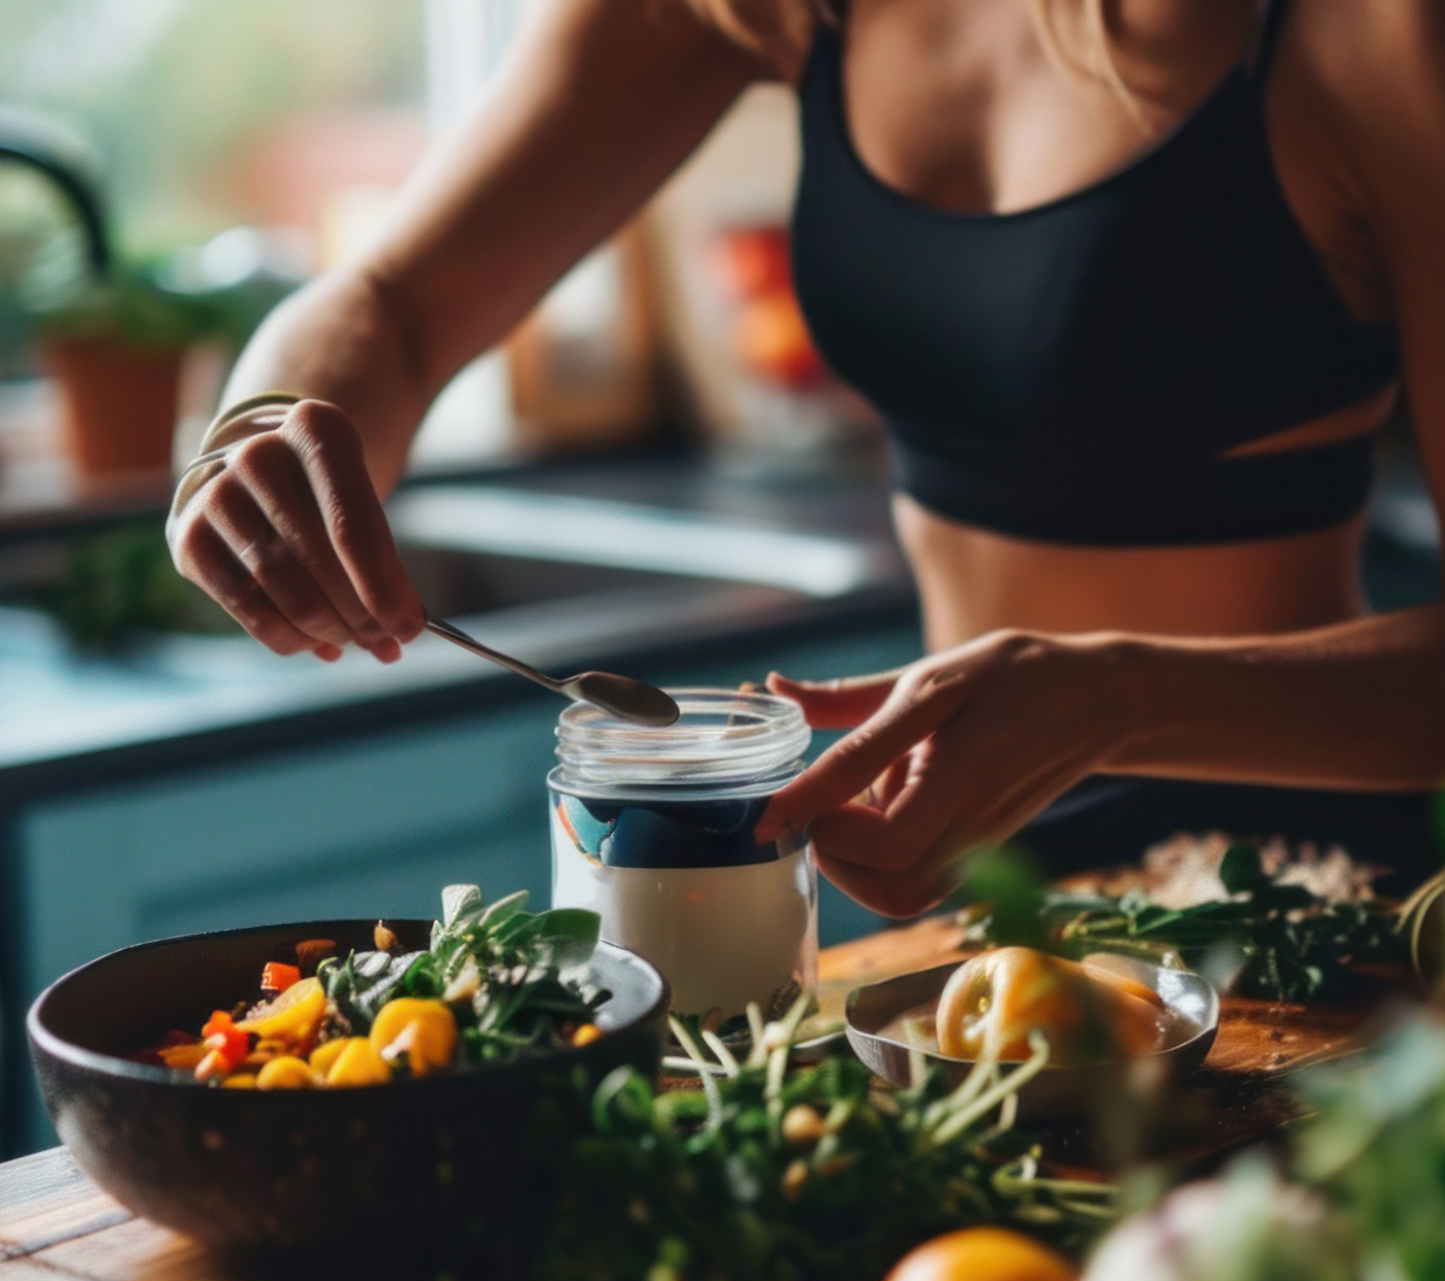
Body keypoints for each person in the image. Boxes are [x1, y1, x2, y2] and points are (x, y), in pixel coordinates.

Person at [168, 0, 1445, 915]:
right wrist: (264, 420)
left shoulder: (1366, 33)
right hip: (975, 902)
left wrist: (1113, 696)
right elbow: (390, 297)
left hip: (1299, 901)